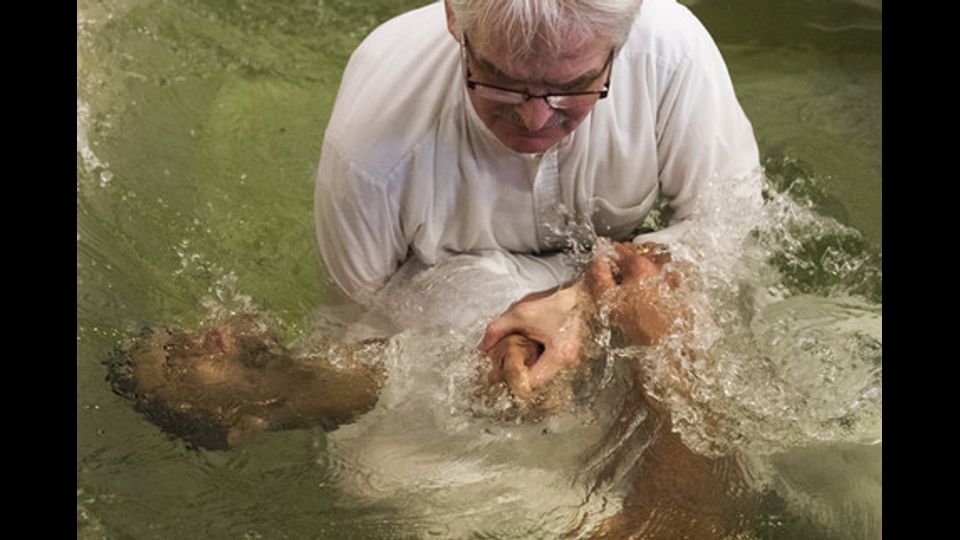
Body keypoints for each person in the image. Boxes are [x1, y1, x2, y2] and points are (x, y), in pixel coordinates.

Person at [313, 0, 762, 393]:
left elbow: (731, 233)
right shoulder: (371, 151)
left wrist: (588, 300)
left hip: (611, 281)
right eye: (499, 81)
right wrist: (480, 345)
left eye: (572, 87)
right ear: (453, 17)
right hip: (455, 309)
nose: (533, 119)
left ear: (620, 43)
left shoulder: (671, 55)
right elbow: (360, 322)